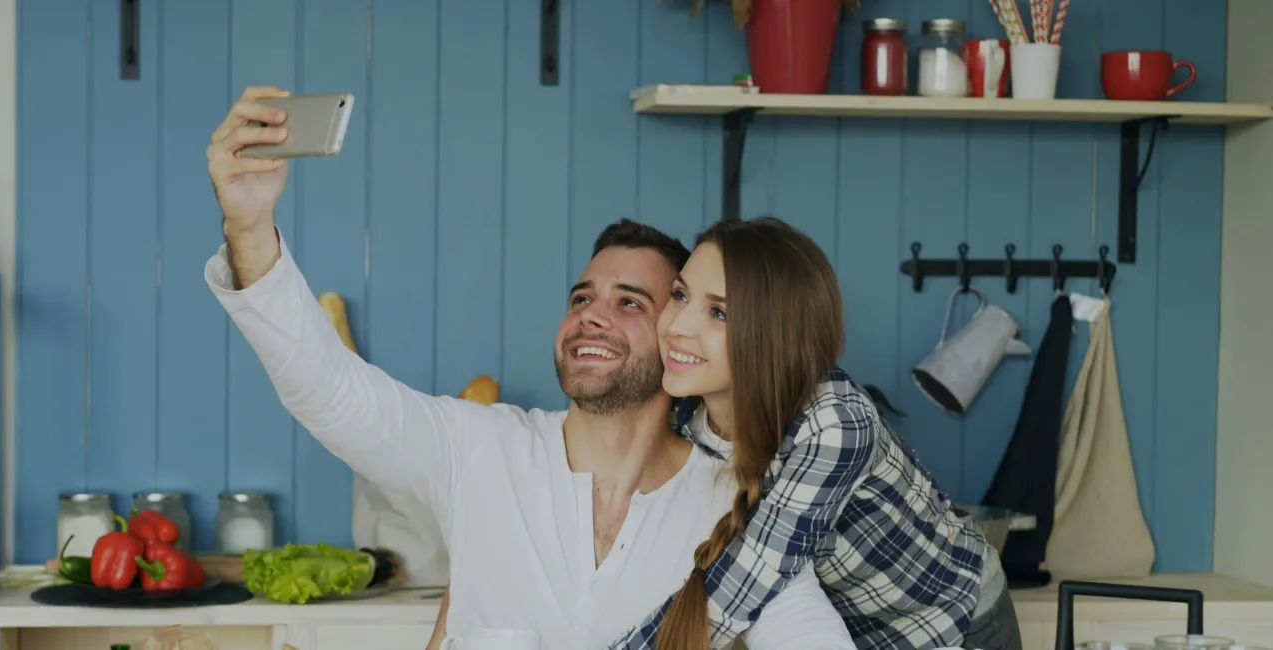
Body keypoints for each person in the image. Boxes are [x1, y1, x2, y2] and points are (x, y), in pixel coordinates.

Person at [203, 86, 854, 650]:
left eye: (630, 303)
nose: (592, 315)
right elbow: (329, 390)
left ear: (674, 335)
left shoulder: (732, 512)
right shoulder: (478, 447)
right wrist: (252, 228)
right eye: (582, 298)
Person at [606, 217, 1020, 650]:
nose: (676, 327)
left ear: (772, 334)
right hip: (847, 631)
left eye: (719, 312)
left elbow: (743, 583)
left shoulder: (835, 423)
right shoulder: (685, 418)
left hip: (952, 620)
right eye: (680, 295)